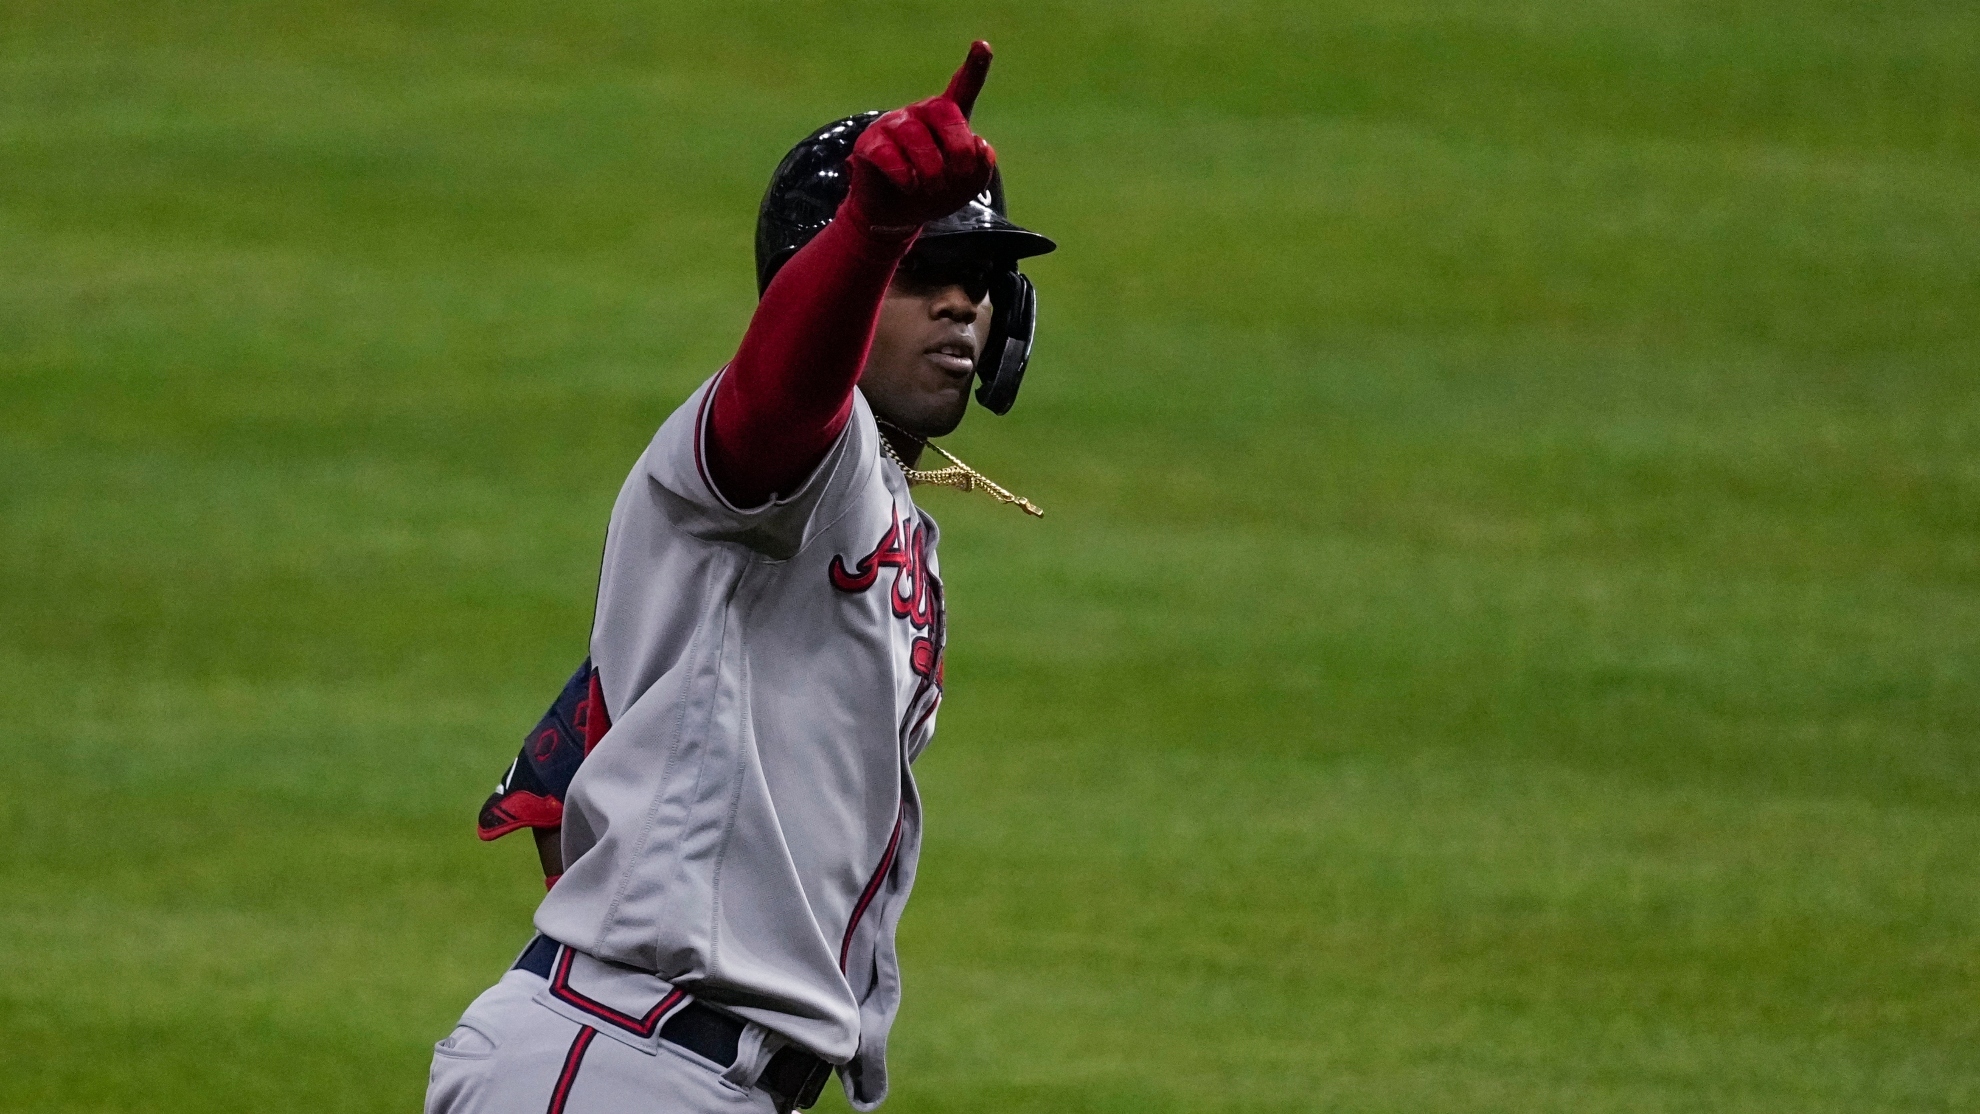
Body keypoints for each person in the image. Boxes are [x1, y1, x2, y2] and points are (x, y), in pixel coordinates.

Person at [427, 40, 1056, 1114]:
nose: (962, 304)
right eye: (921, 271)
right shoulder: (792, 455)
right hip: (629, 1060)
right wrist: (868, 233)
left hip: (677, 1069)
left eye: (981, 279)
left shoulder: (882, 515)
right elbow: (776, 413)